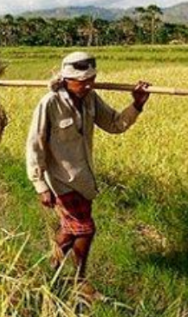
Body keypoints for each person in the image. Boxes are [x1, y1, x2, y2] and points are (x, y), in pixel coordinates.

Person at [25, 51, 150, 299]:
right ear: (66, 79)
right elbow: (34, 144)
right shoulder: (49, 103)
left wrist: (137, 104)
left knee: (71, 231)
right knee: (84, 229)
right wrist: (40, 184)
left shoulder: (91, 99)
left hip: (84, 179)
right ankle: (79, 282)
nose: (88, 84)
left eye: (91, 78)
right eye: (82, 81)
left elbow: (115, 124)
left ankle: (48, 270)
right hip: (61, 180)